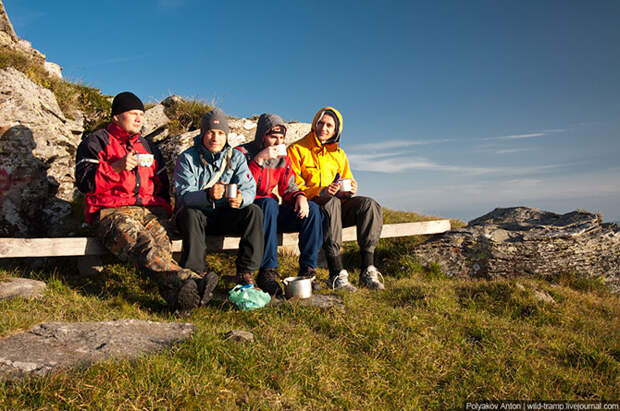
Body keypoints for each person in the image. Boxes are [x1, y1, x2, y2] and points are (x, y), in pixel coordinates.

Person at [75, 92, 218, 312]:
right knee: (144, 245)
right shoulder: (95, 142)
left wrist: (162, 210)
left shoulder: (149, 147)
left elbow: (161, 183)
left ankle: (179, 302)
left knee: (162, 245)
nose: (139, 119)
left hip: (148, 210)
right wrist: (115, 168)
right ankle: (192, 279)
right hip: (111, 211)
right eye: (133, 114)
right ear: (116, 116)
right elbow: (85, 184)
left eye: (141, 114)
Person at [287, 107, 385, 291]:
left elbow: (347, 178)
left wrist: (350, 189)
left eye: (329, 125)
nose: (324, 128)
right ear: (315, 124)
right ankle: (336, 274)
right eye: (321, 123)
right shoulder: (297, 149)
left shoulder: (338, 153)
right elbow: (292, 186)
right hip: (312, 206)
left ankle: (367, 269)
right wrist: (321, 191)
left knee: (369, 205)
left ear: (336, 130)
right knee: (330, 202)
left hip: (337, 204)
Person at [174, 108, 264, 287]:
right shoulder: (187, 159)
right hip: (197, 217)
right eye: (211, 132)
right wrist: (206, 195)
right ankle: (195, 274)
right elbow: (183, 196)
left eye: (221, 133)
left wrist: (241, 199)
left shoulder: (236, 157)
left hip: (224, 215)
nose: (215, 138)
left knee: (253, 211)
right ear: (203, 134)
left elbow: (249, 188)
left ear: (226, 136)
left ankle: (246, 272)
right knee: (190, 213)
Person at [236, 113, 323, 296]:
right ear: (262, 136)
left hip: (271, 212)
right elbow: (243, 184)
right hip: (249, 212)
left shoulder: (283, 158)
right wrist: (259, 160)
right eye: (273, 137)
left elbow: (288, 186)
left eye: (281, 138)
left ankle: (308, 270)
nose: (277, 142)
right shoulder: (242, 153)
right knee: (267, 203)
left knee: (312, 209)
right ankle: (267, 272)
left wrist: (299, 197)